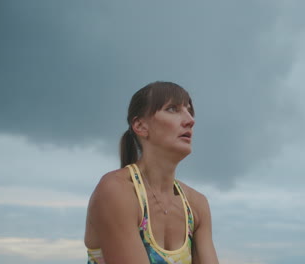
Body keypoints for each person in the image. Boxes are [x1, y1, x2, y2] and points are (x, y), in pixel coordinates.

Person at [84, 81, 219, 264]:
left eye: (189, 111)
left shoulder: (196, 205)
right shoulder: (116, 191)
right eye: (172, 109)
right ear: (140, 126)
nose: (190, 120)